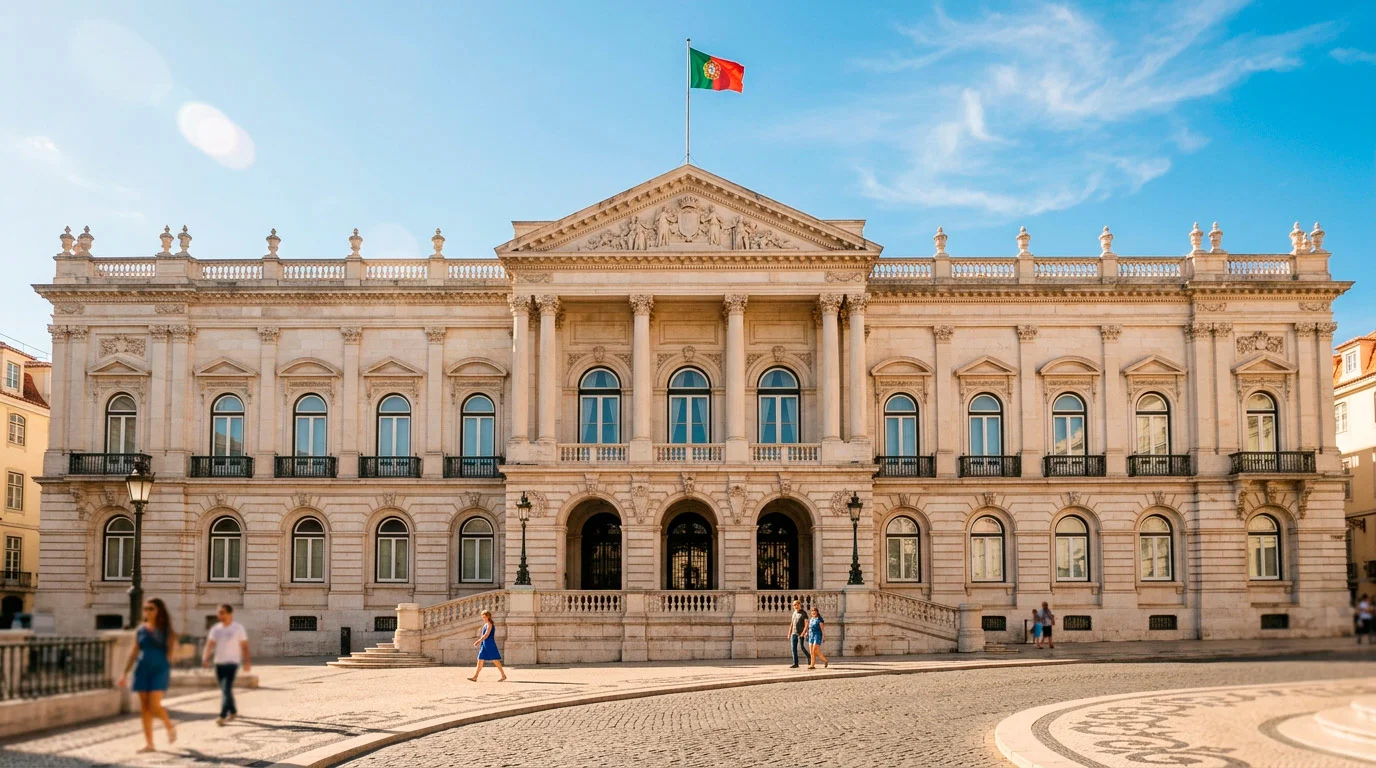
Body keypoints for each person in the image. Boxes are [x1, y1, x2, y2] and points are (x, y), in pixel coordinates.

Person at [117, 598, 176, 752]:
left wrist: (167, 669)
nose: (148, 612)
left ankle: (169, 725)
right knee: (144, 707)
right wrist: (124, 673)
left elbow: (171, 652)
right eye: (146, 609)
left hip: (159, 669)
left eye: (152, 608)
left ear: (159, 610)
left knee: (154, 705)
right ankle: (149, 743)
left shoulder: (166, 630)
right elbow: (134, 652)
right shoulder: (141, 629)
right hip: (142, 669)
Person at [203, 603, 251, 726]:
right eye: (219, 612)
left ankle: (223, 715)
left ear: (230, 614)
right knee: (226, 689)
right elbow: (210, 644)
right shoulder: (216, 629)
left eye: (222, 612)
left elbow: (245, 646)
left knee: (226, 688)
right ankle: (233, 711)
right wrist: (206, 658)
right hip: (219, 663)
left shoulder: (238, 628)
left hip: (232, 663)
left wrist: (247, 662)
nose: (220, 615)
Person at [468, 609, 506, 682]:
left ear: (488, 617)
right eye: (483, 617)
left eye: (485, 617)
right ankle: (475, 677)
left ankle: (503, 675)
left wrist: (478, 641)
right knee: (480, 660)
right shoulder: (486, 624)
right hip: (484, 644)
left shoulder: (490, 624)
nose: (483, 618)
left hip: (489, 644)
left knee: (495, 660)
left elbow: (486, 635)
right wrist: (480, 642)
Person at [787, 600, 807, 668]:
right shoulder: (794, 613)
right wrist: (789, 633)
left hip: (800, 633)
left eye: (797, 604)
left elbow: (806, 624)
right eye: (794, 605)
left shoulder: (803, 613)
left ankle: (809, 656)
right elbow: (792, 623)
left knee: (802, 647)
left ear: (799, 605)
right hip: (794, 633)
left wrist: (803, 633)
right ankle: (795, 663)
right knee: (793, 648)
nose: (796, 606)